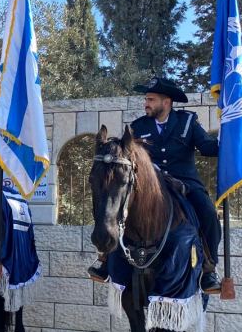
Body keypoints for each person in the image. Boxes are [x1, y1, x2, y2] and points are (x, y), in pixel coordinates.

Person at [87, 76, 222, 294]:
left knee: (208, 213)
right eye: (146, 99)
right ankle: (105, 259)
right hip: (151, 185)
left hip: (185, 184)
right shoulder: (139, 126)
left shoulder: (187, 122)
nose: (146, 103)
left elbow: (206, 147)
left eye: (151, 99)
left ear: (166, 102)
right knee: (117, 204)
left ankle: (209, 268)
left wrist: (228, 138)